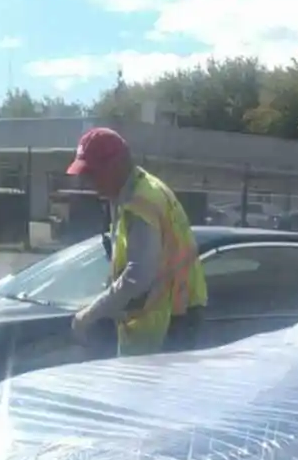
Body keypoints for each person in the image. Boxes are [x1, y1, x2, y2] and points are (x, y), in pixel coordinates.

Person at [64, 127, 208, 355]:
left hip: (170, 321)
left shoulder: (141, 201)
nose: (89, 183)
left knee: (149, 390)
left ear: (116, 165)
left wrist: (89, 314)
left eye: (93, 173)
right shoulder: (136, 193)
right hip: (172, 316)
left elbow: (138, 275)